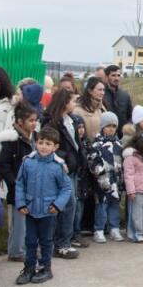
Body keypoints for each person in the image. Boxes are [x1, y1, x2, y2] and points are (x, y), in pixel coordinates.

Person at [15, 127, 72, 285]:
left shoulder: (58, 166)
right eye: (41, 142)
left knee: (46, 241)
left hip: (48, 211)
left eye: (48, 143)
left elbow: (66, 188)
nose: (44, 146)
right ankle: (29, 268)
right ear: (35, 143)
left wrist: (58, 205)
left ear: (55, 147)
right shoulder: (28, 162)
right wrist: (20, 203)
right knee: (30, 241)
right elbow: (20, 183)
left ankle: (46, 268)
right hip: (31, 209)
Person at [42, 89, 85, 257]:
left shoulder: (71, 120)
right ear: (64, 102)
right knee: (67, 204)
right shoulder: (52, 122)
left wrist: (80, 159)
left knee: (70, 204)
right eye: (73, 100)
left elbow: (76, 144)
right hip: (61, 169)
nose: (75, 103)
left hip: (72, 169)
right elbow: (51, 145)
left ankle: (64, 240)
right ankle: (61, 244)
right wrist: (63, 160)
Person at [0, 102, 37, 263]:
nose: (34, 123)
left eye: (35, 120)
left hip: (32, 186)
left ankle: (27, 248)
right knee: (18, 221)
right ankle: (16, 250)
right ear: (20, 121)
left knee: (30, 219)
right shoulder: (11, 140)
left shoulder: (34, 138)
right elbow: (4, 165)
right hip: (17, 187)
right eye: (31, 120)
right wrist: (13, 183)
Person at [73, 79, 107, 235]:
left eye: (103, 90)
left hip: (99, 153)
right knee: (85, 189)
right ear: (90, 90)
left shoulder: (102, 108)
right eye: (99, 89)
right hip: (85, 152)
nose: (102, 92)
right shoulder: (79, 110)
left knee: (98, 188)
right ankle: (84, 224)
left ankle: (97, 223)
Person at [86, 112, 123, 242]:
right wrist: (101, 178)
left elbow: (121, 162)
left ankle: (114, 228)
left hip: (115, 181)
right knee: (101, 205)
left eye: (114, 126)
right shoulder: (96, 145)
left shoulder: (119, 144)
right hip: (102, 181)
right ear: (102, 127)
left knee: (114, 204)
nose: (111, 129)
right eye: (108, 126)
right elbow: (93, 162)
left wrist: (120, 178)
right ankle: (99, 229)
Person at [102, 65, 134, 139]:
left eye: (118, 75)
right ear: (106, 77)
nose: (116, 78)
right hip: (106, 138)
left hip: (123, 137)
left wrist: (128, 127)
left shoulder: (125, 95)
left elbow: (130, 115)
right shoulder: (101, 95)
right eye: (113, 75)